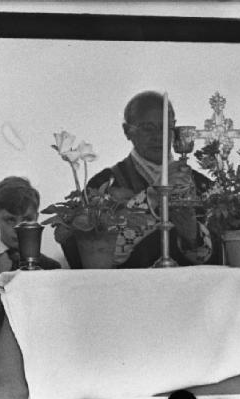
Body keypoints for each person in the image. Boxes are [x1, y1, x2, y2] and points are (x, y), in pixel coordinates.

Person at [60, 90, 221, 268]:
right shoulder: (103, 184)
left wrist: (193, 237)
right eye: (148, 128)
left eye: (165, 128)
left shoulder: (203, 185)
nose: (159, 136)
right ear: (127, 131)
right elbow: (85, 255)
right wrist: (151, 197)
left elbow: (225, 257)